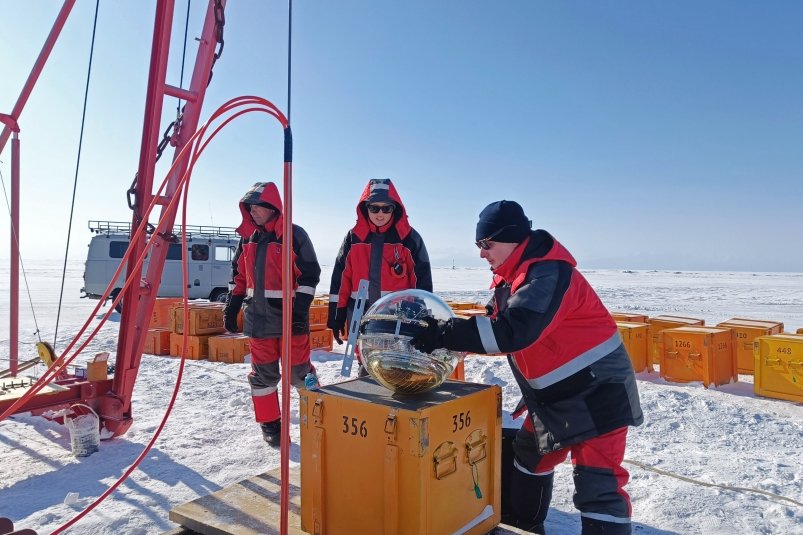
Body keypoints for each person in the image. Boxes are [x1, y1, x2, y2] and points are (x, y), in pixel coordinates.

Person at [411, 200, 643, 535]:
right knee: (529, 454)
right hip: (555, 398)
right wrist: (448, 343)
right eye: (478, 245)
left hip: (598, 393)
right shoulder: (512, 279)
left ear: (513, 238)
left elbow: (513, 331)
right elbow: (494, 324)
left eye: (486, 244)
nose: (481, 253)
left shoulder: (549, 274)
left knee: (598, 485)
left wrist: (445, 333)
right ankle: (524, 526)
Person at [223, 182, 321, 447]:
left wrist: (299, 311)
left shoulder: (294, 235)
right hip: (258, 322)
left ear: (272, 208)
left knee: (300, 374)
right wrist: (232, 305)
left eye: (257, 207)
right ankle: (270, 425)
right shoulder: (247, 239)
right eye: (249, 208)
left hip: (291, 322)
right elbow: (238, 276)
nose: (252, 212)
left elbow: (310, 275)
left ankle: (318, 416)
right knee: (263, 377)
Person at [327, 178, 432, 361]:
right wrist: (336, 316)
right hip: (361, 317)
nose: (380, 214)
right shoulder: (353, 238)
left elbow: (422, 282)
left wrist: (419, 316)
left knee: (394, 365)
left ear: (395, 208)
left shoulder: (409, 239)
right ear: (365, 208)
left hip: (397, 318)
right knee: (366, 363)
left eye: (386, 208)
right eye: (374, 208)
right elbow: (341, 281)